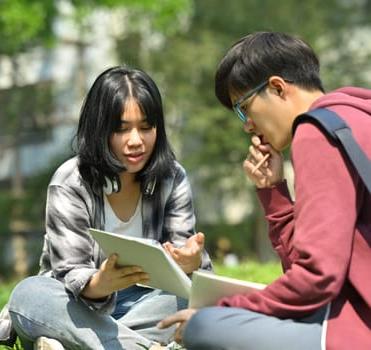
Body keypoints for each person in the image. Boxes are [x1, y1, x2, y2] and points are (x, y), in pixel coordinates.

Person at [157, 31, 371, 349]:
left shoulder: (315, 133)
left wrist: (225, 309)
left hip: (358, 331)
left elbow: (317, 277)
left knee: (204, 326)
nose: (247, 125)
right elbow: (312, 268)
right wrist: (274, 191)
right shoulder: (354, 116)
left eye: (244, 108)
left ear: (277, 87)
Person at [0, 65, 213, 350]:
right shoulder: (69, 182)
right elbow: (69, 273)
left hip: (145, 303)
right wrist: (101, 283)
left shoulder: (172, 176)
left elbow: (185, 271)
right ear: (99, 129)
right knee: (28, 295)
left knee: (191, 300)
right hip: (76, 303)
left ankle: (75, 343)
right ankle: (139, 346)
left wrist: (190, 264)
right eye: (121, 130)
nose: (136, 141)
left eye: (146, 128)